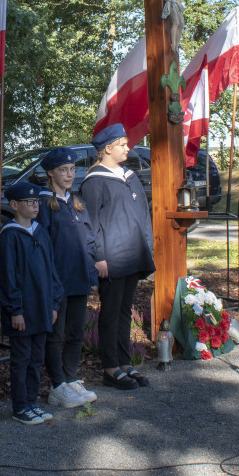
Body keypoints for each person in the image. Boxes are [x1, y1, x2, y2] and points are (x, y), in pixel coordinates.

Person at [81, 124, 154, 390]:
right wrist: (98, 258)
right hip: (111, 258)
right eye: (122, 144)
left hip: (133, 255)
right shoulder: (95, 181)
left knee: (125, 311)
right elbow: (92, 224)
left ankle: (125, 364)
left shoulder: (130, 176)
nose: (128, 147)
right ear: (107, 148)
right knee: (110, 313)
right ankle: (110, 368)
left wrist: (147, 247)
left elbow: (143, 215)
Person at [0, 181, 63, 425]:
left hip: (43, 307)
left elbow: (51, 270)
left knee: (36, 358)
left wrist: (54, 304)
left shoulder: (40, 231)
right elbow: (7, 277)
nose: (35, 206)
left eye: (37, 202)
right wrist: (15, 310)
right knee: (21, 359)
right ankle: (20, 405)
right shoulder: (10, 235)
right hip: (23, 311)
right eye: (29, 202)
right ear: (14, 205)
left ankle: (32, 402)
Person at [37, 147, 100, 409]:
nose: (70, 174)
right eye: (64, 170)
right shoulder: (43, 204)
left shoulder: (76, 202)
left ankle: (71, 377)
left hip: (78, 278)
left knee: (75, 332)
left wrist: (92, 271)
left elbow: (88, 240)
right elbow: (43, 246)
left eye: (73, 169)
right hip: (57, 281)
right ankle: (57, 384)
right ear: (50, 172)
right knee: (56, 334)